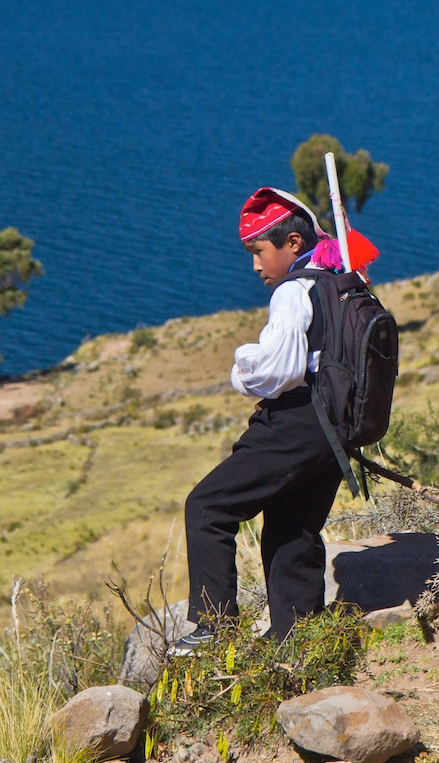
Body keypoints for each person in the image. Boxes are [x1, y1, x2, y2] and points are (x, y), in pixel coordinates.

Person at [173, 187, 348, 651]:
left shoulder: (294, 292)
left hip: (297, 423)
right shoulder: (339, 279)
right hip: (336, 432)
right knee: (292, 529)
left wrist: (241, 364)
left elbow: (280, 370)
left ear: (292, 244)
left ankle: (215, 627)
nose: (254, 265)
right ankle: (298, 640)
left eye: (258, 252)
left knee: (208, 507)